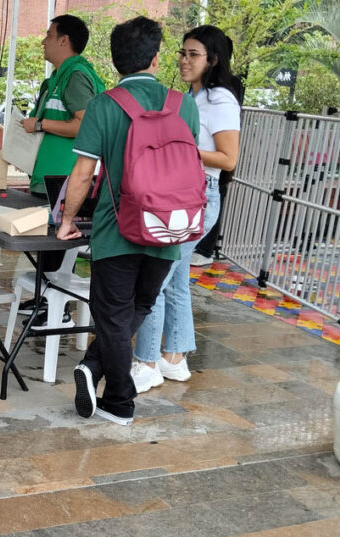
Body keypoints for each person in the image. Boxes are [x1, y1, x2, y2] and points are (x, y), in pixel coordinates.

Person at [56, 16, 200, 426]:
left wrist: (67, 220)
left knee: (113, 314)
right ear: (156, 58)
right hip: (170, 227)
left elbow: (83, 174)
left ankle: (120, 401)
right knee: (140, 304)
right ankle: (92, 368)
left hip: (117, 229)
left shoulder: (105, 104)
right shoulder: (183, 104)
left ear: (117, 62)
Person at [131, 25, 241, 391]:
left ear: (213, 60)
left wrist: (178, 148)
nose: (183, 60)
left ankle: (146, 362)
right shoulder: (189, 99)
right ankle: (174, 357)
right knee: (175, 281)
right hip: (181, 195)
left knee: (156, 279)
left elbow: (228, 159)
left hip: (199, 196)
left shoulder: (221, 100)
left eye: (193, 54)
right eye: (181, 53)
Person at [23, 14, 105, 197]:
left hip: (62, 182)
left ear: (64, 41)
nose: (43, 41)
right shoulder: (56, 78)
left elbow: (85, 125)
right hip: (47, 178)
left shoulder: (75, 76)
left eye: (49, 35)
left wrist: (39, 124)